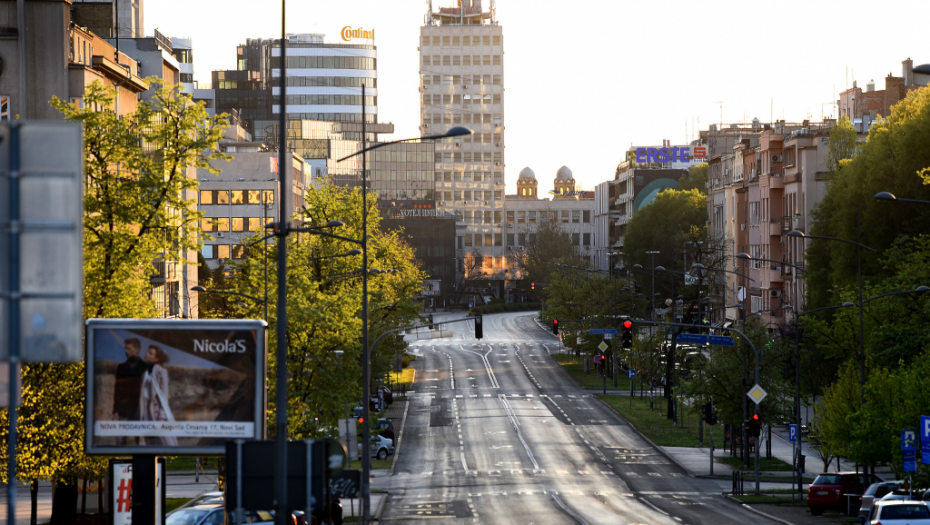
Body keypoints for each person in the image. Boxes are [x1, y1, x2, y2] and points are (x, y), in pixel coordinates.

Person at [139, 344, 178, 446]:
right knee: (150, 443)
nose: (146, 354)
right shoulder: (144, 373)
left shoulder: (162, 372)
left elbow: (164, 396)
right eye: (147, 352)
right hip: (147, 414)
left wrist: (161, 417)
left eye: (150, 353)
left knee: (167, 442)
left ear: (156, 358)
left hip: (157, 415)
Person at [113, 338, 146, 421]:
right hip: (124, 409)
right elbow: (118, 390)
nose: (126, 351)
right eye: (125, 348)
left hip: (140, 409)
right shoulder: (121, 368)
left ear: (137, 350)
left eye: (129, 349)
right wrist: (116, 410)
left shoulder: (145, 367)